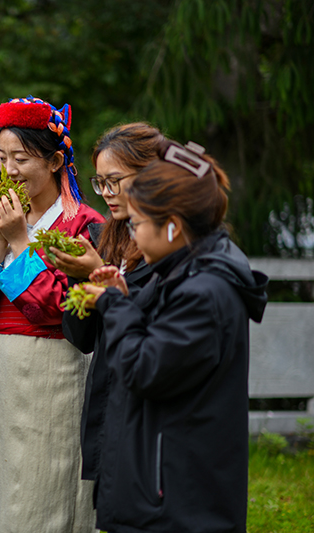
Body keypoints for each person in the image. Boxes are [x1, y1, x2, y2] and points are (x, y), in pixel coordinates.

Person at [81, 140, 268, 532]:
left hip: (175, 504)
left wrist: (115, 305)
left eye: (137, 224)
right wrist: (124, 299)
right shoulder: (183, 274)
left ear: (173, 226)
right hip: (162, 491)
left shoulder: (203, 291)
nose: (132, 234)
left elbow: (144, 369)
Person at [0, 96, 104, 532]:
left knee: (43, 482)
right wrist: (1, 241)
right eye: (2, 158)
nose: (9, 170)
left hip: (54, 369)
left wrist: (20, 241)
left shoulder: (83, 224)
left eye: (21, 158)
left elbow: (55, 309)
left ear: (56, 161)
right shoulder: (4, 222)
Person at [55, 123, 165, 502]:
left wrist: (99, 275)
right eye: (100, 182)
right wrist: (80, 277)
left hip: (149, 402)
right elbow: (81, 337)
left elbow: (155, 323)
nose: (106, 193)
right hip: (108, 397)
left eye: (115, 181)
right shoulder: (103, 238)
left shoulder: (170, 246)